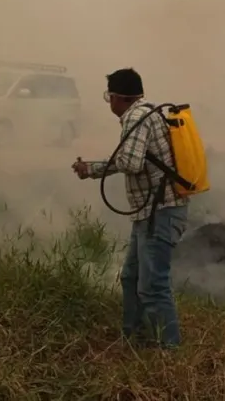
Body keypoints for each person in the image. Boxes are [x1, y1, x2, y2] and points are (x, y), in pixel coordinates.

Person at [72, 68, 190, 349]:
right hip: (149, 213)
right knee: (131, 277)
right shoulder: (146, 114)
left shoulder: (135, 118)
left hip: (160, 213)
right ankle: (134, 338)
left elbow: (132, 163)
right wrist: (92, 169)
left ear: (116, 97)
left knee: (153, 286)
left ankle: (169, 350)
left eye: (108, 96)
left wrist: (96, 168)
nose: (109, 102)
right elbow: (132, 160)